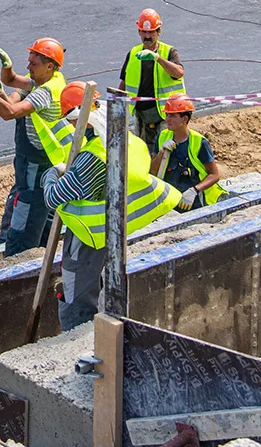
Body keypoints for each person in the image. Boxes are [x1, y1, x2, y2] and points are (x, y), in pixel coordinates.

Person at [43, 84, 180, 329]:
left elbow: (54, 197)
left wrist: (52, 173)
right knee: (101, 285)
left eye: (70, 120)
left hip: (87, 238)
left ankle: (76, 335)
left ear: (78, 119)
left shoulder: (91, 158)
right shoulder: (127, 141)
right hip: (113, 231)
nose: (70, 126)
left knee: (76, 296)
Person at [0, 38, 74, 256]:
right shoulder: (51, 79)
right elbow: (11, 81)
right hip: (45, 159)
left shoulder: (44, 92)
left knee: (27, 207)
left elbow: (9, 112)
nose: (28, 67)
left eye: (34, 63)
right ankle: (41, 247)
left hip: (36, 162)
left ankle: (20, 253)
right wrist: (7, 68)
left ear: (49, 66)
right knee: (42, 208)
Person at [119, 8, 185, 154]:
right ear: (139, 32)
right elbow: (123, 84)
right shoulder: (133, 53)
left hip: (165, 116)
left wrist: (157, 58)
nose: (147, 36)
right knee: (142, 154)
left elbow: (179, 72)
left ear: (158, 32)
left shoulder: (169, 52)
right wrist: (116, 106)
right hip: (141, 117)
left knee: (165, 154)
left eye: (152, 32)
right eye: (144, 32)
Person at [150, 94, 224, 212]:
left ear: (184, 119)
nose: (167, 119)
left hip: (192, 201)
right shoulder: (162, 137)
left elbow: (214, 175)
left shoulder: (199, 142)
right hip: (169, 199)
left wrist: (194, 190)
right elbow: (152, 171)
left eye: (173, 115)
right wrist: (161, 153)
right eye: (167, 114)